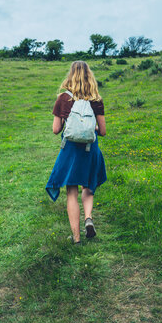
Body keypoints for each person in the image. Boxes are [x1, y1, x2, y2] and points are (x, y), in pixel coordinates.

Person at [45, 61, 107, 244]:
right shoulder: (96, 99)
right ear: (89, 76)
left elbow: (56, 130)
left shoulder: (63, 98)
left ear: (70, 75)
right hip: (90, 150)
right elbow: (102, 132)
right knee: (88, 187)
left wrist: (66, 121)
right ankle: (88, 218)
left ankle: (76, 238)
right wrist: (92, 125)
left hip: (70, 151)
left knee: (71, 192)